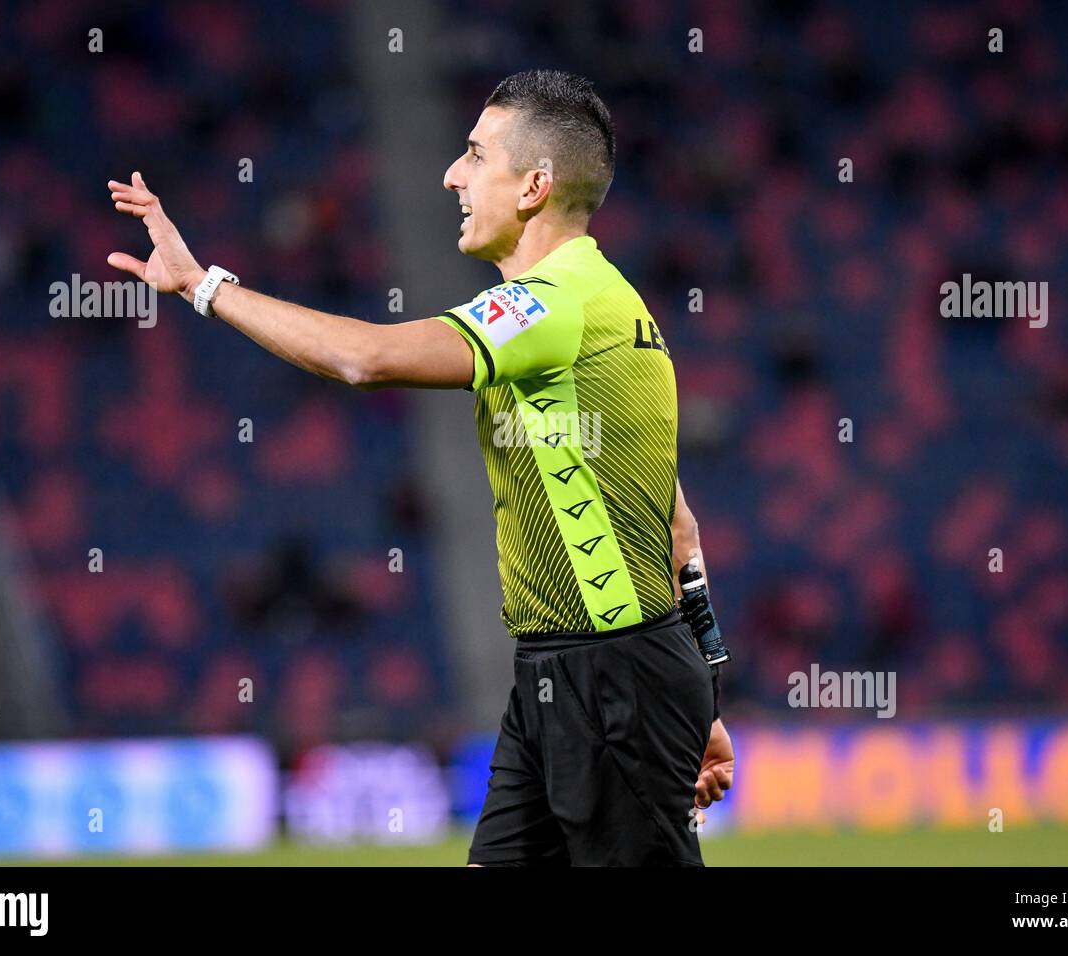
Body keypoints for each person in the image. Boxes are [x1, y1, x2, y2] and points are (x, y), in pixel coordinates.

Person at [106, 69, 732, 866]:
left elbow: (365, 358)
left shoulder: (553, 302)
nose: (452, 175)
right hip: (573, 674)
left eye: (475, 155)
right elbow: (677, 526)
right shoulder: (614, 304)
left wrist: (203, 285)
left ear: (536, 185)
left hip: (611, 676)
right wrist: (701, 693)